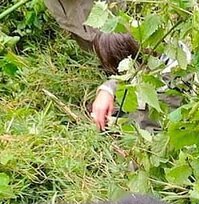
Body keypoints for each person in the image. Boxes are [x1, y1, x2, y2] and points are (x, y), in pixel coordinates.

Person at [43, 0, 138, 130]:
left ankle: (127, 91)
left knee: (120, 44)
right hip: (70, 13)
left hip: (103, 11)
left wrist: (109, 89)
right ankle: (116, 88)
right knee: (93, 45)